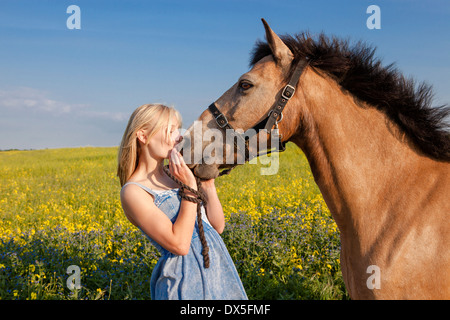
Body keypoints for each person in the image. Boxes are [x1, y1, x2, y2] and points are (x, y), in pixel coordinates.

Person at [117, 104, 247, 300]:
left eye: (178, 130)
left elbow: (217, 227)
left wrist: (208, 185)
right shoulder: (134, 191)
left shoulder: (177, 174)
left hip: (218, 271)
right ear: (143, 136)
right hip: (184, 282)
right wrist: (189, 189)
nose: (178, 137)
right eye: (170, 130)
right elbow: (179, 244)